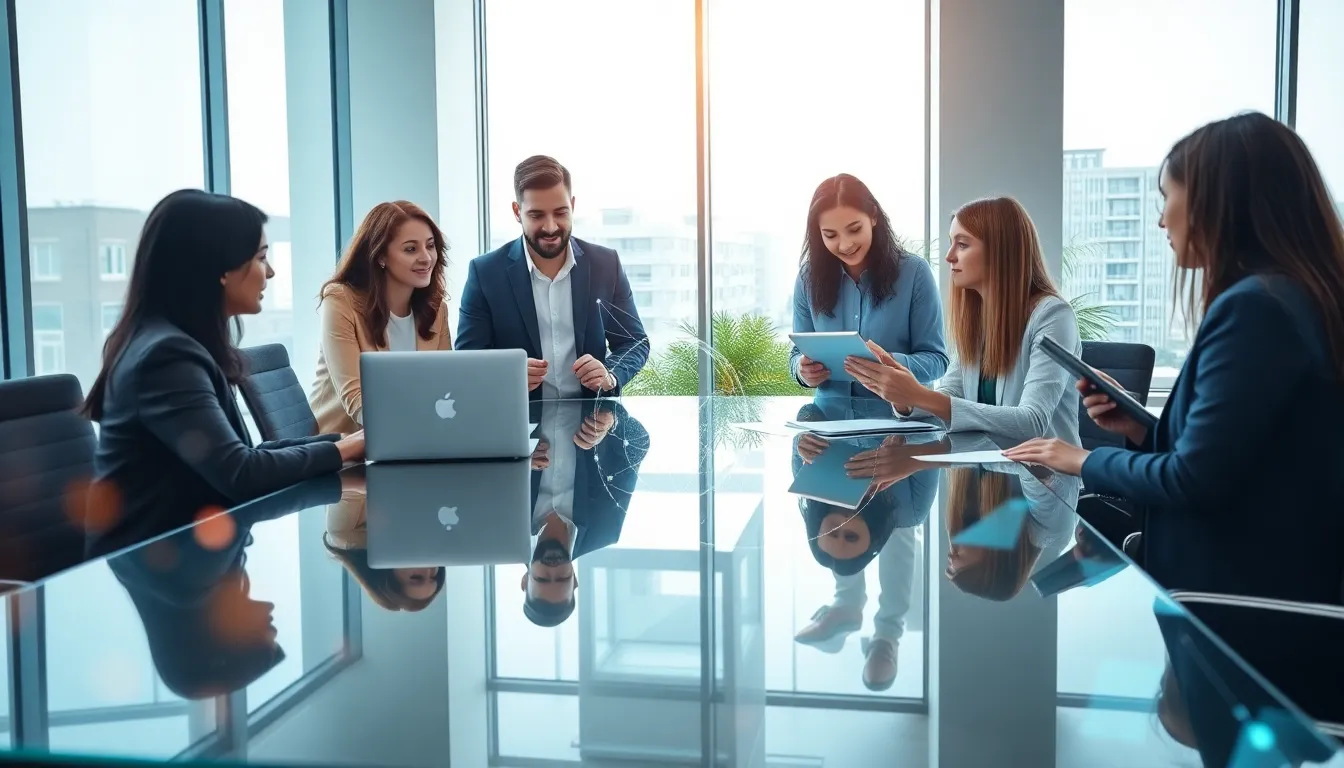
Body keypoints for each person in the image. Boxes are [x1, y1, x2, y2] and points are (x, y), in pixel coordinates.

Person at [1004, 112, 1344, 604]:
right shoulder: (1293, 297)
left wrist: (1081, 459)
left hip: (1234, 608)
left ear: (1217, 200)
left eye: (1167, 197)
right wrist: (1138, 427)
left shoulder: (1255, 310)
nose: (1161, 218)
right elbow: (1233, 459)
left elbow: (1194, 480)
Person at [85, 190, 363, 554]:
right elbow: (240, 473)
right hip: (158, 562)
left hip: (188, 555)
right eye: (262, 258)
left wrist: (342, 444)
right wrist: (350, 447)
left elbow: (243, 454)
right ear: (220, 269)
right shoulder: (166, 359)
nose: (271, 272)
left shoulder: (173, 342)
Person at [846, 197, 1081, 443]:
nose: (949, 256)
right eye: (951, 243)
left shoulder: (1053, 317)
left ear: (1001, 252)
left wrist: (921, 396)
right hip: (984, 472)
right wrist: (905, 399)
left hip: (1039, 478)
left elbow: (1032, 423)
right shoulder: (980, 320)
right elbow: (951, 395)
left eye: (962, 244)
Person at [456, 155, 649, 398]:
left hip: (593, 425)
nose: (550, 227)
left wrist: (610, 375)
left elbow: (635, 342)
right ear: (517, 211)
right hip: (519, 424)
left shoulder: (606, 264)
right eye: (537, 215)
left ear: (573, 205)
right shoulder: (485, 273)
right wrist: (505, 374)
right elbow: (468, 358)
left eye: (560, 213)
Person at [791, 174, 948, 399]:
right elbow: (797, 353)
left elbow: (937, 361)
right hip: (828, 422)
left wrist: (888, 364)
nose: (845, 244)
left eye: (854, 229)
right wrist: (801, 370)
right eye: (830, 235)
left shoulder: (915, 273)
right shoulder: (808, 278)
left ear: (873, 216)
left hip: (898, 422)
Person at [310, 201, 452, 434]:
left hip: (415, 439)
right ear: (380, 256)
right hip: (344, 448)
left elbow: (445, 387)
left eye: (430, 246)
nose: (427, 258)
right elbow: (356, 398)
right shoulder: (339, 301)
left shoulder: (436, 309)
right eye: (410, 249)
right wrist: (414, 429)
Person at [522, 400, 649, 627]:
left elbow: (479, 455)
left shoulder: (503, 529)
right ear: (575, 581)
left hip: (528, 389)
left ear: (525, 581)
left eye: (542, 578)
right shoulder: (605, 529)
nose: (553, 569)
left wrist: (518, 460)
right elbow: (638, 446)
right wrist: (613, 423)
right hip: (584, 387)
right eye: (562, 578)